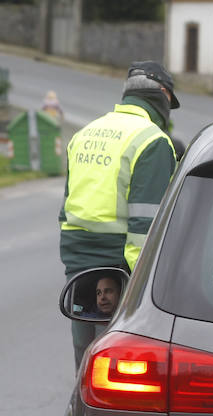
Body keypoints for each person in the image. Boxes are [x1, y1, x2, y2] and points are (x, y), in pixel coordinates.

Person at [60, 60, 178, 369]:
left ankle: (85, 415)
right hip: (121, 269)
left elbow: (66, 210)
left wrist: (74, 262)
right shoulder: (152, 141)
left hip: (78, 267)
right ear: (163, 96)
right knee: (118, 366)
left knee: (86, 361)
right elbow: (145, 226)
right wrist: (146, 289)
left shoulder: (84, 134)